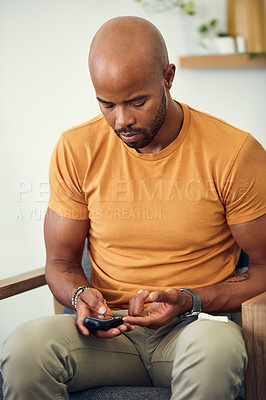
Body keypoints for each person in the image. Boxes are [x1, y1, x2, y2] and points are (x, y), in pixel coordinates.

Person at [1, 16, 266, 400]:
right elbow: (61, 261)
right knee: (25, 347)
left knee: (215, 348)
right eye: (106, 104)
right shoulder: (77, 149)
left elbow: (262, 268)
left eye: (137, 102)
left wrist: (189, 298)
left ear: (168, 77)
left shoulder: (234, 153)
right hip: (109, 335)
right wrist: (80, 296)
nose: (122, 120)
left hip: (193, 328)